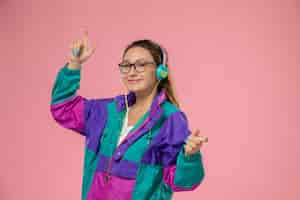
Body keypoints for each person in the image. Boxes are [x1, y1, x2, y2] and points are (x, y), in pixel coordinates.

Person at [50, 29, 208, 200]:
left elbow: (182, 182)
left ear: (160, 71)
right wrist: (74, 64)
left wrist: (190, 157)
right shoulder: (107, 111)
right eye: (126, 65)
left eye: (141, 65)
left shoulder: (170, 118)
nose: (132, 72)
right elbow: (63, 109)